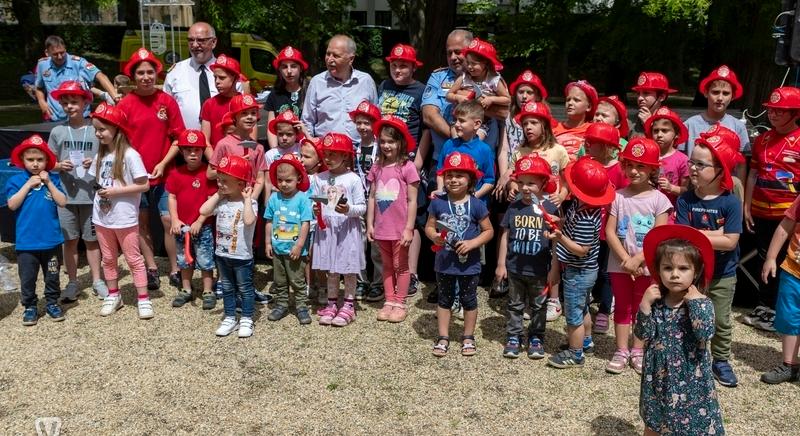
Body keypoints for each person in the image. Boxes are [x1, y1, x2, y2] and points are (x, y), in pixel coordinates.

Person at [637, 224, 724, 435]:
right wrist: (644, 306)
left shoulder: (702, 302)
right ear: (658, 271)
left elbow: (705, 333)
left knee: (692, 425)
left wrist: (695, 304)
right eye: (668, 268)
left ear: (696, 272)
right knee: (655, 421)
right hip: (658, 378)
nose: (675, 275)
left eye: (683, 268)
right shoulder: (657, 302)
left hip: (691, 380)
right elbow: (643, 334)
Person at [676, 133, 743, 387]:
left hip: (723, 274)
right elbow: (683, 237)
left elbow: (731, 242)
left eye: (701, 164)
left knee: (721, 319)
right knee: (688, 314)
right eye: (692, 162)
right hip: (693, 273)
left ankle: (721, 360)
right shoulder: (685, 199)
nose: (692, 168)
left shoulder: (731, 203)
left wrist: (700, 235)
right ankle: (693, 355)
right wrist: (715, 235)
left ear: (720, 170)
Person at [116, 48, 186, 291]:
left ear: (157, 74)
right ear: (133, 76)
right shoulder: (125, 105)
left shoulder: (167, 101)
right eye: (141, 73)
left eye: (150, 72)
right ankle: (151, 268)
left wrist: (163, 163)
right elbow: (118, 141)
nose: (146, 77)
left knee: (168, 221)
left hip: (165, 175)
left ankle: (176, 268)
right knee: (142, 223)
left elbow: (179, 138)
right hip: (135, 178)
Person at [605, 137, 672, 374]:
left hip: (647, 265)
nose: (634, 171)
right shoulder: (617, 196)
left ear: (653, 169)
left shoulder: (659, 200)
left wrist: (638, 259)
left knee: (643, 306)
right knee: (622, 306)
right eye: (629, 165)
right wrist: (626, 259)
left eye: (641, 166)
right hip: (619, 263)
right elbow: (609, 231)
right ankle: (621, 349)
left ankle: (639, 349)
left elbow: (659, 236)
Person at [546, 158, 616, 368]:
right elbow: (572, 224)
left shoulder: (587, 217)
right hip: (583, 270)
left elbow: (581, 249)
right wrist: (562, 222)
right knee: (582, 307)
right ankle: (585, 341)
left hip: (579, 270)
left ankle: (575, 353)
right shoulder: (582, 205)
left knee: (573, 314)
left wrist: (560, 237)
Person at [743, 86, 800, 332]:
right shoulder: (763, 139)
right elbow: (753, 173)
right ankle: (765, 306)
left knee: (788, 261)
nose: (773, 114)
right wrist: (746, 205)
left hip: (789, 214)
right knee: (766, 257)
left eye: (780, 110)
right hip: (760, 210)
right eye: (771, 110)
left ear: (794, 113)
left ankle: (780, 310)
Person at [88, 104, 152, 319]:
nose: (98, 133)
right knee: (108, 258)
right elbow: (97, 182)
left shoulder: (131, 155)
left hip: (124, 217)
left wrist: (116, 191)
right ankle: (113, 294)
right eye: (96, 129)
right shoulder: (100, 155)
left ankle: (143, 298)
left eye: (102, 129)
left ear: (117, 128)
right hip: (102, 217)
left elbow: (144, 185)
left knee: (134, 259)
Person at [426, 152, 493, 357]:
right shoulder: (438, 202)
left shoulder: (477, 204)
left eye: (459, 175)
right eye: (449, 175)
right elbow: (428, 226)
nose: (453, 180)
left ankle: (468, 336)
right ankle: (443, 336)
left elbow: (489, 231)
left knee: (469, 299)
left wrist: (473, 243)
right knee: (444, 299)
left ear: (471, 180)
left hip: (469, 264)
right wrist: (434, 237)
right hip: (444, 261)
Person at [47, 80, 106, 301]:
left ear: (85, 103)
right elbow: (47, 162)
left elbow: (107, 158)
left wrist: (96, 161)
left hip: (91, 196)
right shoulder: (58, 131)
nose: (70, 106)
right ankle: (72, 283)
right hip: (66, 197)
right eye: (65, 103)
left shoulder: (95, 129)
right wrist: (58, 166)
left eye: (74, 102)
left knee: (92, 241)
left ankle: (97, 280)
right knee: (69, 241)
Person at [496, 155, 558, 359]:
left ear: (543, 183)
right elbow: (505, 234)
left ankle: (536, 337)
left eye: (531, 183)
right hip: (514, 268)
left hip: (540, 269)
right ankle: (514, 336)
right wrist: (500, 264)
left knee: (539, 306)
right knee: (514, 304)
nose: (525, 188)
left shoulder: (549, 208)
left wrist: (554, 269)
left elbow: (556, 240)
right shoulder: (514, 207)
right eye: (521, 182)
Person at [5, 135, 67, 325]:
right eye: (30, 160)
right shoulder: (16, 181)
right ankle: (30, 305)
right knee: (28, 277)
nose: (35, 164)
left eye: (40, 160)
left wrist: (48, 183)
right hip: (27, 242)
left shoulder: (53, 179)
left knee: (52, 274)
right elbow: (12, 205)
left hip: (51, 240)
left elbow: (62, 202)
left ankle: (52, 302)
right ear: (22, 160)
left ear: (47, 161)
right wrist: (28, 185)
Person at [366, 116, 420, 323]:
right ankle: (389, 300)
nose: (386, 145)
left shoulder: (407, 167)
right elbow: (371, 197)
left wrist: (409, 228)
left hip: (400, 229)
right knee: (387, 266)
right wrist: (370, 224)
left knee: (402, 266)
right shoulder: (377, 167)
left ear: (401, 143)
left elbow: (412, 200)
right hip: (381, 228)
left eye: (391, 141)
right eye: (383, 141)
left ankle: (400, 301)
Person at [200, 155, 259, 337]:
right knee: (227, 287)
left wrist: (248, 199)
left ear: (241, 184)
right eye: (219, 180)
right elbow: (203, 211)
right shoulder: (222, 201)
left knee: (245, 288)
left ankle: (247, 318)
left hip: (242, 257)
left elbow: (249, 220)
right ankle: (230, 317)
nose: (221, 184)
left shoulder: (250, 203)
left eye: (225, 181)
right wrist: (218, 194)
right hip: (222, 255)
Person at [312, 133, 367, 327]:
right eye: (325, 153)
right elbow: (316, 200)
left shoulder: (353, 179)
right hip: (327, 230)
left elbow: (362, 206)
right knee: (332, 270)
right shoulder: (320, 178)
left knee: (348, 269)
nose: (328, 158)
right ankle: (332, 302)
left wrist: (349, 210)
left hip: (346, 230)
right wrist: (315, 210)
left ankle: (349, 305)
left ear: (345, 155)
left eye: (333, 154)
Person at [583, 122, 628, 335]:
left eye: (591, 143)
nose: (587, 145)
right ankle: (582, 304)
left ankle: (603, 309)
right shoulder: (586, 164)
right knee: (587, 266)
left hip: (610, 227)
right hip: (588, 226)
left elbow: (624, 196)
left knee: (608, 271)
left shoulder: (619, 169)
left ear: (606, 146)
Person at [167, 129, 218, 310]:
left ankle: (208, 291)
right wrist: (174, 219)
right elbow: (172, 197)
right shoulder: (176, 173)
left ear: (203, 151)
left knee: (205, 260)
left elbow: (213, 201)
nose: (193, 154)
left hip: (202, 227)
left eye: (197, 150)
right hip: (182, 227)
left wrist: (200, 220)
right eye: (188, 150)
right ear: (181, 152)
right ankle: (186, 289)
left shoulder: (208, 174)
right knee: (184, 260)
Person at [264, 154, 313, 324]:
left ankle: (301, 306)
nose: (283, 184)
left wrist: (300, 245)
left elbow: (306, 224)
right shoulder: (274, 198)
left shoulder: (302, 199)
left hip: (294, 250)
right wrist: (268, 242)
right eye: (280, 180)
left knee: (297, 280)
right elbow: (269, 221)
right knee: (279, 280)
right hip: (278, 248)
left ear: (298, 178)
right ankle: (281, 304)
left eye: (288, 180)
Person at [302, 35, 377, 142]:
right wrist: (311, 143)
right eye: (328, 54)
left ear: (351, 59)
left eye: (336, 56)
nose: (330, 59)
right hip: (326, 151)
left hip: (358, 151)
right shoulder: (317, 82)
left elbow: (375, 117)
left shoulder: (366, 81)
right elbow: (307, 120)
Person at [348, 100, 384, 302]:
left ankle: (378, 282)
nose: (362, 127)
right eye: (359, 122)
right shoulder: (353, 148)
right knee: (358, 241)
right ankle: (360, 281)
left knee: (377, 243)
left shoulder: (382, 147)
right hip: (359, 200)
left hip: (379, 200)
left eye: (367, 123)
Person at [762, 194, 800, 384]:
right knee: (788, 318)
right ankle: (789, 364)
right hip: (793, 271)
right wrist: (770, 257)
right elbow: (786, 226)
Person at [35, 35, 118, 121]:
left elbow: (101, 76)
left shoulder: (78, 63)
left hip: (81, 117)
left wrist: (115, 97)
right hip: (55, 117)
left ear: (65, 49)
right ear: (47, 53)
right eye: (55, 54)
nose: (60, 57)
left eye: (62, 52)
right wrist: (41, 101)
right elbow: (39, 87)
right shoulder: (42, 65)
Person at [445, 37, 511, 144]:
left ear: (486, 63)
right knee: (456, 143)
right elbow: (448, 95)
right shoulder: (464, 78)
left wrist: (491, 99)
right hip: (459, 120)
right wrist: (458, 97)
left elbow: (507, 99)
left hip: (482, 123)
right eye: (468, 63)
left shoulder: (493, 80)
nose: (470, 67)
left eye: (474, 63)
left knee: (474, 144)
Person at [495, 69, 548, 199]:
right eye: (520, 92)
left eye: (529, 92)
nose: (524, 96)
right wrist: (504, 176)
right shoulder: (508, 117)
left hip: (530, 174)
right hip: (509, 172)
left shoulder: (543, 118)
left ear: (537, 96)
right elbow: (504, 149)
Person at [434, 101, 495, 203]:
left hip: (474, 207)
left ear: (476, 124)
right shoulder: (449, 144)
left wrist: (474, 197)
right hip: (449, 202)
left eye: (462, 121)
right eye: (455, 120)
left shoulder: (484, 150)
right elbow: (440, 172)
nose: (456, 124)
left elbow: (489, 181)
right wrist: (440, 190)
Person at [208, 94, 267, 200]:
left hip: (249, 199)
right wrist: (231, 166)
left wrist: (253, 199)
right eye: (244, 113)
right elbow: (209, 174)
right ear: (235, 117)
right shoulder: (224, 144)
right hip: (227, 201)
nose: (249, 117)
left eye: (253, 113)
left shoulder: (258, 148)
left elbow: (260, 178)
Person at [164, 22, 222, 129]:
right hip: (184, 141)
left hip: (220, 141)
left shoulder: (226, 72)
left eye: (200, 40)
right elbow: (165, 110)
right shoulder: (175, 72)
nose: (195, 45)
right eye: (191, 40)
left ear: (213, 42)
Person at [684, 65, 750, 157]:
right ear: (706, 93)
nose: (720, 98)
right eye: (715, 92)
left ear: (733, 96)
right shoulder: (690, 125)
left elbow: (741, 164)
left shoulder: (738, 127)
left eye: (726, 93)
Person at [644, 106, 690, 216]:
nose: (659, 135)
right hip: (646, 211)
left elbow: (686, 190)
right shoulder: (647, 155)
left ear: (677, 134)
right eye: (656, 131)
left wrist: (671, 188)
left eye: (665, 131)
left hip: (670, 213)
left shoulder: (682, 160)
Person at [378, 44, 426, 141]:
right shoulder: (384, 85)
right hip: (384, 146)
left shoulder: (422, 91)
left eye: (403, 66)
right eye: (393, 65)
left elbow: (426, 129)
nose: (397, 70)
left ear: (414, 67)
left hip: (407, 150)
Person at [266, 46, 310, 148]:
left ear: (301, 68)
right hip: (282, 148)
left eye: (293, 66)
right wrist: (275, 152)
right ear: (280, 70)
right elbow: (271, 127)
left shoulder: (310, 91)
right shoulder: (275, 94)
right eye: (284, 67)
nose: (289, 71)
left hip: (305, 148)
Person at [201, 54, 244, 155]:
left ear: (234, 77)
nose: (217, 82)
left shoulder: (244, 102)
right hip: (215, 160)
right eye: (215, 77)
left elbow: (251, 139)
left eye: (222, 78)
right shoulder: (209, 104)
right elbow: (205, 139)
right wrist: (214, 162)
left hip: (241, 159)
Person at [265, 110, 307, 203]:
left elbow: (315, 149)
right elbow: (268, 181)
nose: (284, 138)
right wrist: (266, 202)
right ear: (276, 133)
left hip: (299, 195)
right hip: (278, 197)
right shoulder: (270, 154)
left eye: (289, 134)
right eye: (280, 134)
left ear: (296, 134)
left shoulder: (301, 148)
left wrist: (305, 132)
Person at [553, 80, 598, 159]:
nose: (570, 103)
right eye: (568, 99)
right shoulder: (554, 129)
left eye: (576, 100)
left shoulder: (593, 130)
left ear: (589, 107)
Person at [630, 72, 677, 137]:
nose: (640, 98)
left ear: (661, 97)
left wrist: (650, 126)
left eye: (646, 93)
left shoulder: (671, 121)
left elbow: (667, 146)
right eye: (638, 94)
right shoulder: (629, 121)